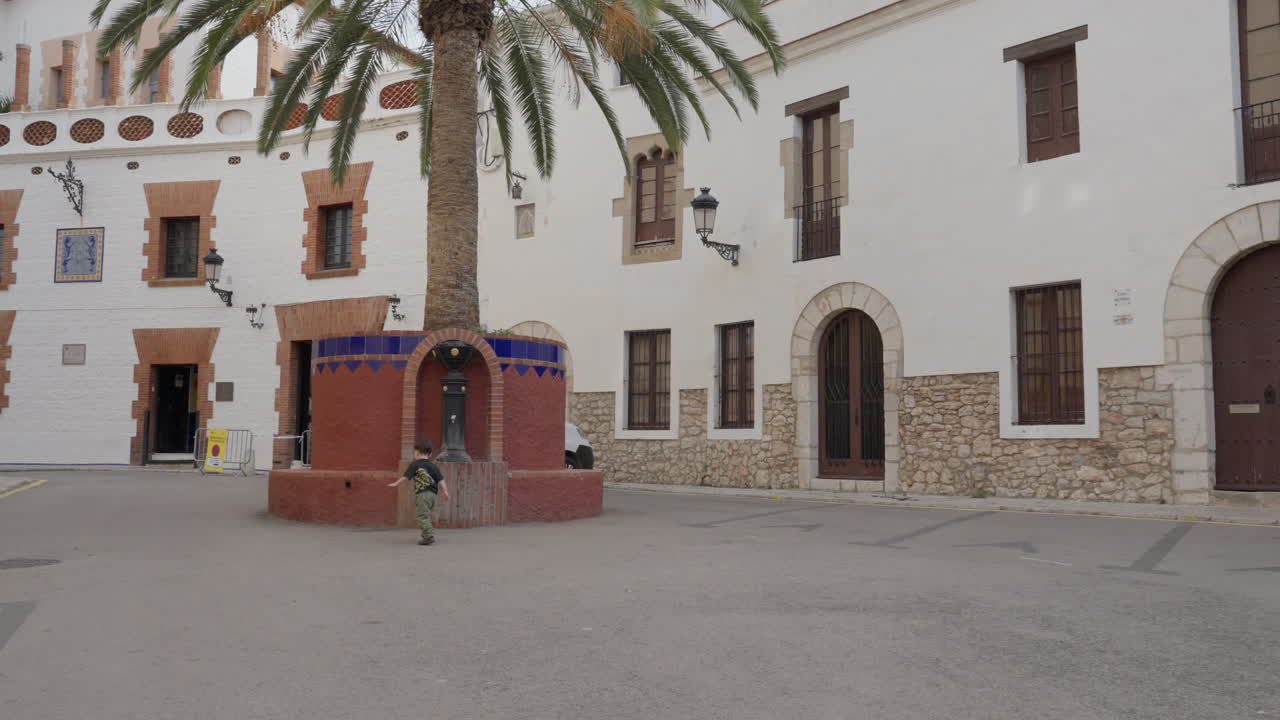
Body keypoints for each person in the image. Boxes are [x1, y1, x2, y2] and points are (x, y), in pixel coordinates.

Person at [389, 440, 449, 545]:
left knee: (422, 516)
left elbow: (406, 476)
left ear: (416, 452)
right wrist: (445, 491)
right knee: (426, 515)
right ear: (430, 454)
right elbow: (441, 479)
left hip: (422, 494)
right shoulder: (433, 466)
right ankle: (426, 534)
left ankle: (428, 536)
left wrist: (396, 483)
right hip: (433, 495)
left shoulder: (415, 464)